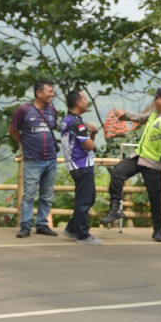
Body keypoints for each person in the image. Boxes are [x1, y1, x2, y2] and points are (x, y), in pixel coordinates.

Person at [103, 88, 161, 242]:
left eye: (156, 98)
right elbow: (139, 117)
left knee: (155, 196)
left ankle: (157, 229)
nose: (154, 100)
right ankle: (115, 208)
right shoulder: (154, 115)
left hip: (153, 162)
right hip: (139, 156)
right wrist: (124, 115)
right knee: (117, 173)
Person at [9, 79, 60, 238]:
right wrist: (24, 143)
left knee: (47, 195)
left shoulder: (52, 111)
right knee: (29, 195)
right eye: (49, 91)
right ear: (39, 93)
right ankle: (25, 226)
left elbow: (52, 128)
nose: (52, 94)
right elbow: (13, 130)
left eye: (52, 91)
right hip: (33, 161)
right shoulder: (24, 110)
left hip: (51, 159)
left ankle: (42, 225)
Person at [60, 89, 103, 245]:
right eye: (84, 99)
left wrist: (91, 133)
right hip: (81, 164)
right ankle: (82, 234)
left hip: (77, 164)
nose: (87, 102)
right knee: (84, 200)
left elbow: (85, 143)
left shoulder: (70, 119)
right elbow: (89, 145)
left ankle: (72, 228)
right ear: (78, 103)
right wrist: (94, 133)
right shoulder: (76, 123)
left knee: (88, 197)